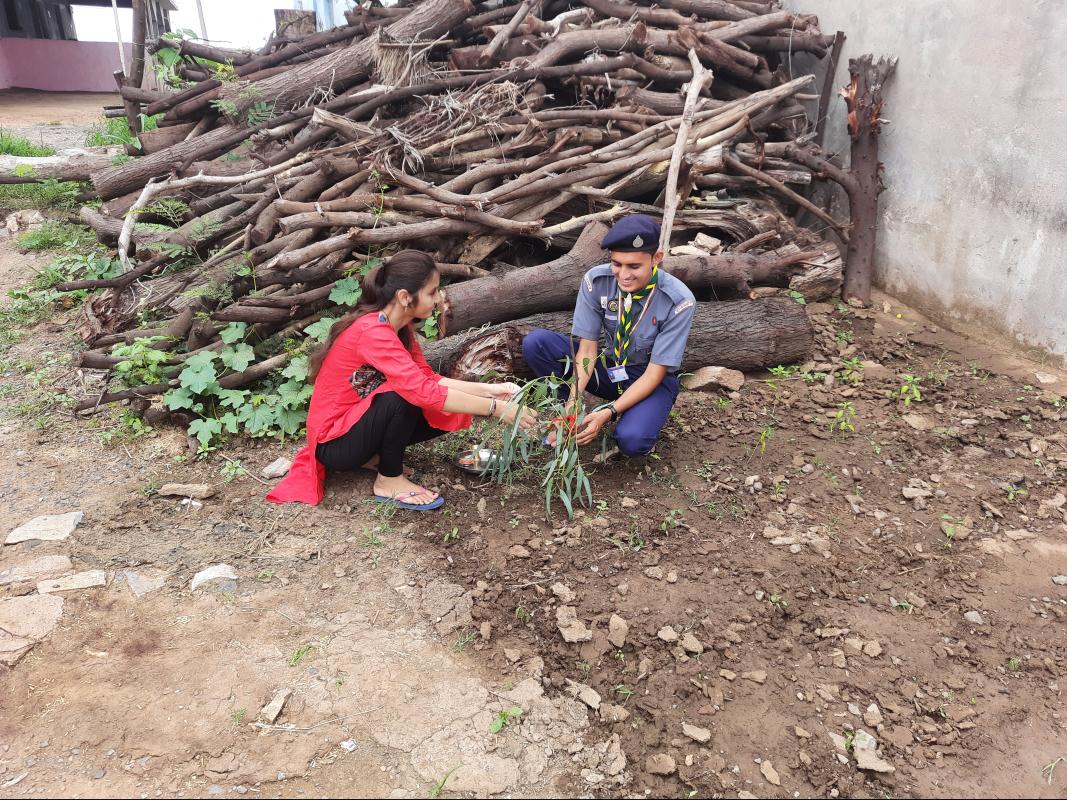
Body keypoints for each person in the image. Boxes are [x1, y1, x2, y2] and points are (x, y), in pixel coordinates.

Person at [267, 250, 536, 510]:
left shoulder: (399, 328)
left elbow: (428, 378)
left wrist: (490, 391)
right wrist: (496, 409)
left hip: (355, 428)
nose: (439, 299)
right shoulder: (373, 332)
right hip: (334, 443)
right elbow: (421, 390)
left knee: (436, 403)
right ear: (405, 297)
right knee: (403, 396)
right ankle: (388, 479)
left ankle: (372, 456)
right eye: (432, 292)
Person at [521, 214, 695, 458]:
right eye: (616, 264)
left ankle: (635, 416)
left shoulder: (678, 300)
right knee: (537, 344)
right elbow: (587, 351)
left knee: (632, 442)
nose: (623, 275)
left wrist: (608, 412)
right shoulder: (597, 281)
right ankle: (568, 415)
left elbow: (655, 373)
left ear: (656, 258)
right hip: (611, 368)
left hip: (650, 377)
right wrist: (573, 401)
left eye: (634, 266)